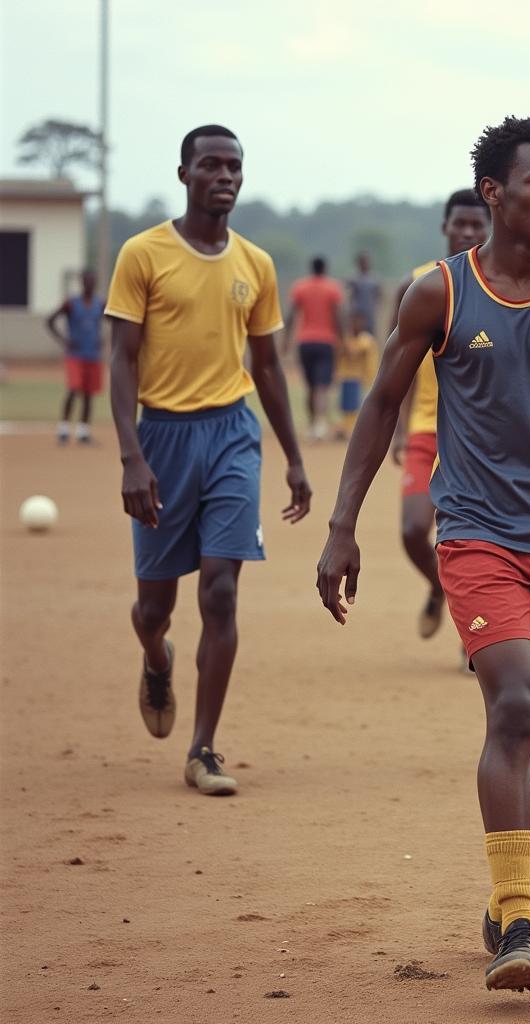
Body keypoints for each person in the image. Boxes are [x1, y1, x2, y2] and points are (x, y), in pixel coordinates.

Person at [316, 115, 530, 992]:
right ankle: (521, 922)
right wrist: (341, 524)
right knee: (513, 705)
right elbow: (382, 405)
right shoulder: (437, 292)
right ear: (494, 193)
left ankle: (513, 892)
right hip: (477, 533)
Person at [105, 124, 312, 796]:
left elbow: (270, 368)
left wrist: (294, 458)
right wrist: (132, 457)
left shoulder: (256, 265)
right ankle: (155, 659)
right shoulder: (144, 254)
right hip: (162, 439)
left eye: (234, 167)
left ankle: (203, 750)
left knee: (221, 590)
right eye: (211, 165)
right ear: (184, 174)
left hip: (231, 433)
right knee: (153, 609)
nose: (225, 176)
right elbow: (122, 357)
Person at [389, 188, 490, 641]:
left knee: (475, 544)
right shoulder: (417, 285)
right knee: (414, 531)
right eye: (460, 224)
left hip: (477, 440)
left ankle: (479, 636)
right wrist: (396, 428)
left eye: (477, 224)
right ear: (444, 227)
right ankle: (438, 587)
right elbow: (397, 370)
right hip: (425, 429)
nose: (468, 232)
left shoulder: (499, 286)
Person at [284, 256, 345, 441]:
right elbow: (339, 316)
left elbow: (291, 316)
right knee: (322, 386)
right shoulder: (333, 288)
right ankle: (320, 425)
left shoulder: (300, 287)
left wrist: (285, 341)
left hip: (305, 341)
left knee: (309, 386)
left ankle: (312, 424)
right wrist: (343, 340)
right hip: (326, 341)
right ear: (325, 269)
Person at [47, 268, 105, 444]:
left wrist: (104, 338)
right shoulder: (71, 303)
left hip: (93, 355)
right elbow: (50, 320)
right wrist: (64, 340)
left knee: (89, 393)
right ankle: (64, 429)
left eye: (93, 280)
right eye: (87, 280)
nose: (90, 283)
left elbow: (116, 321)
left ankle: (83, 432)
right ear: (82, 282)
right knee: (74, 389)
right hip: (75, 355)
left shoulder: (100, 303)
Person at [335, 309, 378, 439]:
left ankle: (353, 430)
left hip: (359, 378)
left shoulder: (367, 340)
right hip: (345, 376)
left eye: (358, 322)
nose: (355, 325)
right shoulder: (345, 339)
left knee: (356, 405)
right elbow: (340, 353)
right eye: (353, 322)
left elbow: (359, 353)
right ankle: (346, 427)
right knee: (346, 405)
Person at [347, 250, 382, 337]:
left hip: (370, 316)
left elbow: (379, 296)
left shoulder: (374, 279)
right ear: (359, 263)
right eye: (364, 262)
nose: (366, 264)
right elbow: (350, 297)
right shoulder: (353, 279)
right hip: (358, 316)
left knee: (370, 339)